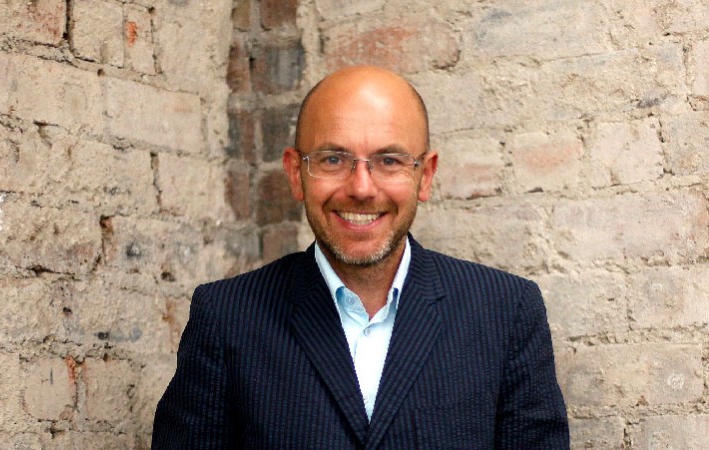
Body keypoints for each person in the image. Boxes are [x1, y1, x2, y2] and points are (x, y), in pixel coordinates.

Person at [152, 66, 570, 449]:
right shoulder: (227, 317)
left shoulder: (506, 312)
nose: (362, 188)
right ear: (296, 173)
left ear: (425, 175)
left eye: (389, 160)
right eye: (334, 159)